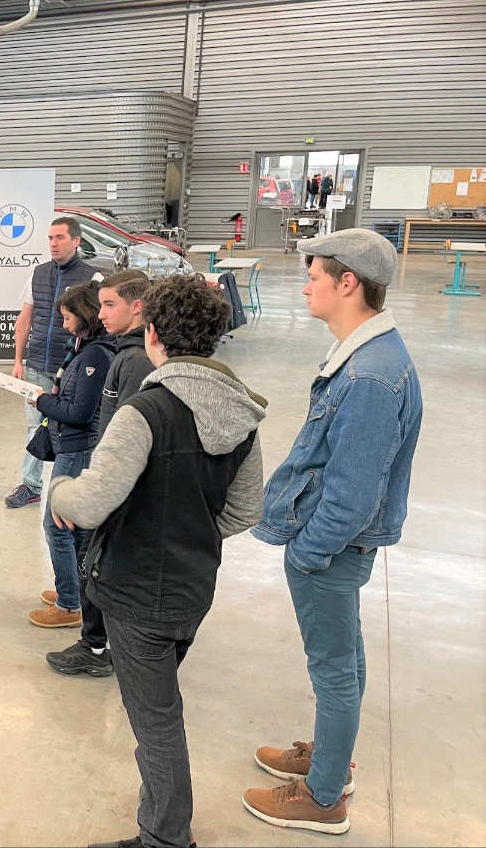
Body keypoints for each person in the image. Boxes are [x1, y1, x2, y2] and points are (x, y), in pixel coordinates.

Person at [48, 276, 266, 848]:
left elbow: (93, 502)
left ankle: (166, 837)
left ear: (152, 334)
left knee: (157, 724)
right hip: (194, 585)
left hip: (138, 591)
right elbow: (245, 510)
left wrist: (59, 495)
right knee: (160, 709)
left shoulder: (145, 410)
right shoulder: (242, 410)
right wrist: (188, 534)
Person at [242, 230, 422, 836]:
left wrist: (308, 553)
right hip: (333, 546)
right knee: (344, 658)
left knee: (334, 669)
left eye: (314, 275)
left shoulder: (371, 375)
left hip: (331, 549)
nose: (306, 284)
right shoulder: (368, 354)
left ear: (349, 283)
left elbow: (351, 492)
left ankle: (322, 799)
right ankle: (330, 757)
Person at [46, 269, 152, 678]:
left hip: (110, 477)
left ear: (137, 306)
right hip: (104, 471)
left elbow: (128, 432)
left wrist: (100, 486)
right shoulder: (124, 352)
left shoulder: (135, 359)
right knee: (94, 556)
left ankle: (96, 645)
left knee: (93, 556)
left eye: (110, 304)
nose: (101, 312)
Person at [26, 282, 116, 630]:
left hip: (78, 450)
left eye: (68, 317)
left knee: (58, 526)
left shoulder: (94, 355)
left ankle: (68, 604)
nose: (64, 324)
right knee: (72, 527)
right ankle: (75, 593)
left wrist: (42, 401)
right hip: (73, 448)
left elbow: (80, 411)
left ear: (85, 315)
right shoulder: (84, 348)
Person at [6, 216, 98, 509]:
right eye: (50, 238)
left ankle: (75, 487)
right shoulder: (38, 274)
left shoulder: (93, 279)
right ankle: (31, 485)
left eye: (59, 237)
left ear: (76, 241)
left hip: (71, 367)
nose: (53, 244)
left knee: (73, 429)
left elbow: (100, 324)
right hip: (35, 364)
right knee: (35, 428)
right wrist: (18, 360)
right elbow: (25, 319)